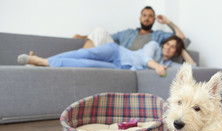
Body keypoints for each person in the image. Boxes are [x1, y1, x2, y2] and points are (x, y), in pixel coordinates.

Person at [17, 36, 195, 76]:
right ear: (164, 44)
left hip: (119, 68)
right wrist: (156, 66)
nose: (170, 49)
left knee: (84, 65)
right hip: (116, 52)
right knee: (84, 53)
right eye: (169, 44)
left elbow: (193, 68)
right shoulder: (154, 46)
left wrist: (183, 48)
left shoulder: (170, 63)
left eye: (174, 48)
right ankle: (41, 60)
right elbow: (144, 58)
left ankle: (44, 62)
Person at [73, 6, 187, 50]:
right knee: (99, 30)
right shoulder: (128, 32)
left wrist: (168, 22)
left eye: (150, 16)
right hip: (118, 54)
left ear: (154, 19)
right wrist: (82, 37)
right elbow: (103, 37)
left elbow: (181, 37)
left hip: (135, 60)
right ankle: (81, 58)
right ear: (140, 18)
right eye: (144, 15)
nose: (147, 18)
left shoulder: (159, 35)